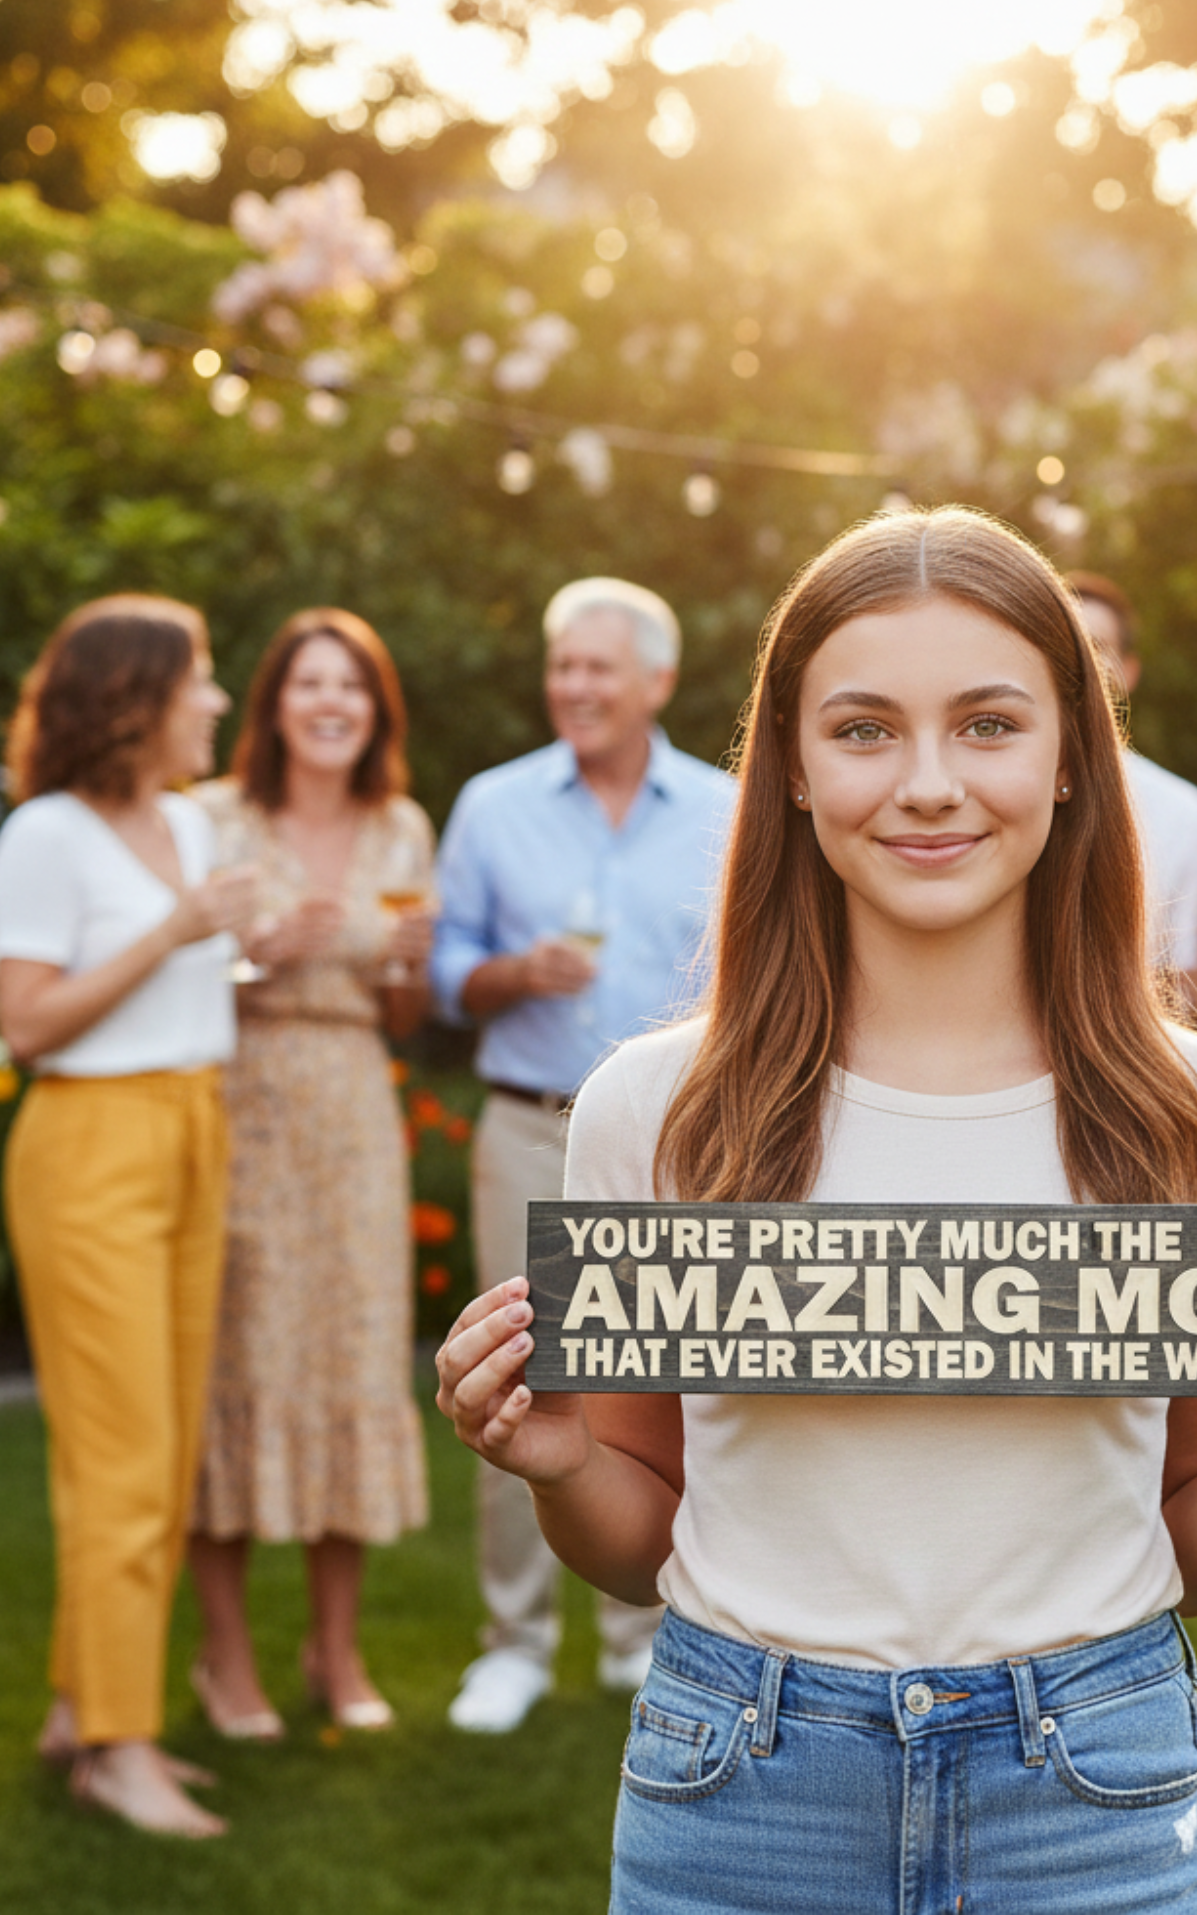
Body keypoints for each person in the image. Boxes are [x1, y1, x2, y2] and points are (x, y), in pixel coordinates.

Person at [435, 506, 1197, 1914]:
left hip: (1094, 1791)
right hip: (739, 1789)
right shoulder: (650, 1111)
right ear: (788, 763)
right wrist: (552, 1461)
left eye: (986, 725)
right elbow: (636, 1543)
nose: (924, 785)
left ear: (1075, 758)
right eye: (862, 730)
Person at [430, 576, 736, 1734]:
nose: (576, 686)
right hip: (529, 1121)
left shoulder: (725, 808)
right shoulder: (491, 804)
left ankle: (645, 1631)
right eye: (563, 665)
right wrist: (506, 975)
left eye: (599, 666)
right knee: (518, 1369)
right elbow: (444, 963)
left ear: (655, 680)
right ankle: (511, 1639)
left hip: (684, 1136)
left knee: (679, 1378)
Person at [0, 596, 259, 1838]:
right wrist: (175, 930)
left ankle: (76, 1706)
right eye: (197, 681)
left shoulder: (189, 822)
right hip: (91, 1140)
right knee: (123, 1454)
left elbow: (195, 976)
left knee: (161, 1443)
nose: (215, 701)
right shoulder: (47, 833)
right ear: (133, 700)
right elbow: (30, 1022)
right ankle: (119, 1742)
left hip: (193, 1126)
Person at [184, 610, 436, 1740]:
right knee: (233, 1363)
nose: (331, 702)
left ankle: (335, 1651)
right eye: (309, 683)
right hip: (237, 1101)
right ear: (274, 701)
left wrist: (408, 968)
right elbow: (173, 981)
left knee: (346, 1358)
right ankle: (223, 1656)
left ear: (374, 710)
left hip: (348, 1104)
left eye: (353, 686)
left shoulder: (401, 826)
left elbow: (406, 1015)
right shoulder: (215, 819)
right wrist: (256, 959)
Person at [1064, 571, 1197, 975]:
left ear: (1130, 671)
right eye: (1067, 645)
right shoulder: (984, 797)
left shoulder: (1184, 813)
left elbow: (1193, 979)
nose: (1082, 662)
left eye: (1098, 647)